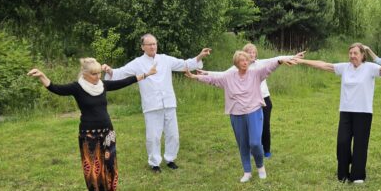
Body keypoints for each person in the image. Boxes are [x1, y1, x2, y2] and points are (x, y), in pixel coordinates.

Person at [27, 58, 156, 191]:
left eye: (99, 73)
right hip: (88, 133)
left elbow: (124, 82)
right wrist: (42, 75)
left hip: (107, 131)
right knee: (93, 166)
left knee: (109, 164)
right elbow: (56, 88)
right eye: (94, 74)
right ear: (85, 73)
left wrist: (146, 74)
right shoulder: (77, 87)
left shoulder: (102, 85)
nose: (97, 76)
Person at [297, 43, 381, 183]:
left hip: (363, 112)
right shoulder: (345, 67)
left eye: (355, 53)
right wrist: (302, 61)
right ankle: (343, 174)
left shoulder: (370, 68)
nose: (352, 56)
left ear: (362, 55)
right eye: (350, 53)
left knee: (360, 145)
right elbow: (324, 65)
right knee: (342, 143)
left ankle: (357, 175)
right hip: (346, 111)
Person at [102, 34, 211, 173]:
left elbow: (184, 64)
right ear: (143, 47)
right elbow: (121, 72)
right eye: (149, 44)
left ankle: (170, 159)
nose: (153, 47)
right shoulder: (137, 63)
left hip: (169, 102)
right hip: (151, 104)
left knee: (173, 134)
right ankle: (155, 163)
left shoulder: (165, 59)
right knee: (153, 136)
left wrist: (200, 56)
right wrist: (109, 70)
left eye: (154, 44)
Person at [184, 51, 298, 182]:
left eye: (246, 60)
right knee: (243, 144)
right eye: (241, 61)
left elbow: (269, 67)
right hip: (236, 113)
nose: (245, 63)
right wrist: (195, 76)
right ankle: (247, 172)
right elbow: (213, 79)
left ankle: (260, 167)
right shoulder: (229, 76)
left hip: (254, 111)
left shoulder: (256, 73)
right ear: (236, 64)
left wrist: (280, 61)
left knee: (255, 143)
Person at [211, 43, 303, 159]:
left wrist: (293, 56)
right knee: (250, 128)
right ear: (244, 55)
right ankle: (251, 150)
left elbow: (277, 59)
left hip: (264, 100)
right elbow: (222, 75)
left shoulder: (260, 63)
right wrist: (205, 74)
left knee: (265, 126)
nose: (252, 54)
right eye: (249, 52)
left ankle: (266, 150)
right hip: (249, 102)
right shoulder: (237, 68)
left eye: (254, 52)